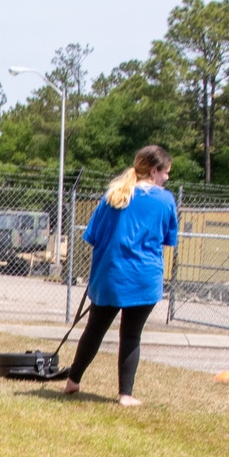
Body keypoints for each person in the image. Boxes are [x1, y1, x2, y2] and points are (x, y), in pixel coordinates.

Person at [62, 145, 179, 406]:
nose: (167, 178)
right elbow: (168, 240)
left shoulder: (114, 195)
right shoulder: (165, 200)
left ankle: (73, 381)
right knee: (131, 336)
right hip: (144, 276)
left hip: (110, 273)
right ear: (153, 170)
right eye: (166, 172)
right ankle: (125, 394)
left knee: (94, 330)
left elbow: (92, 236)